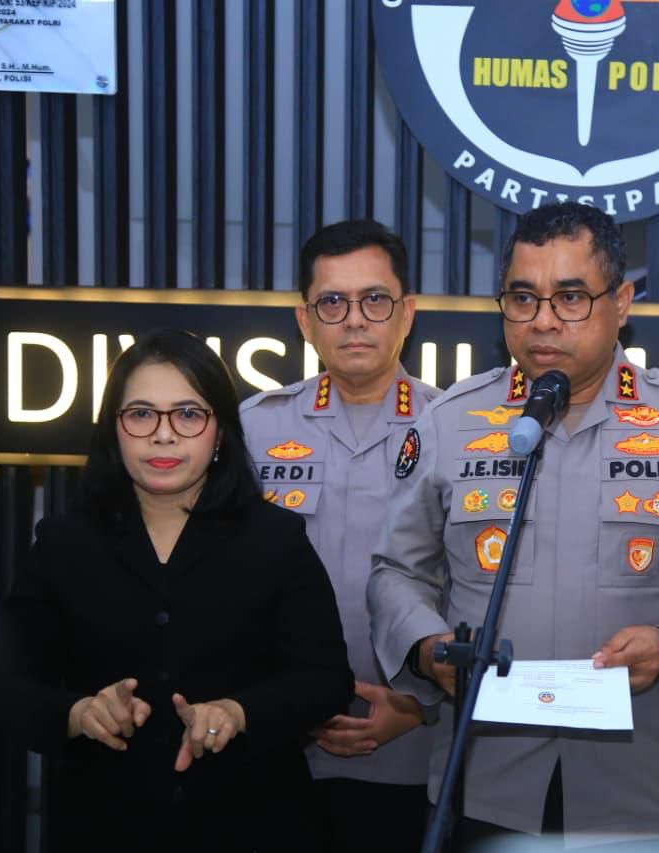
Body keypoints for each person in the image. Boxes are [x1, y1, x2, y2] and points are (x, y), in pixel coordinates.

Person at [367, 201, 659, 846]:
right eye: (522, 298)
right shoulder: (450, 422)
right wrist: (427, 648)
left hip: (639, 784)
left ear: (621, 301)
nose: (543, 321)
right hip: (483, 778)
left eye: (570, 298)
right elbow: (396, 571)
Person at [0, 329, 355, 852]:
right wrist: (77, 713)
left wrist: (240, 712)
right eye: (141, 414)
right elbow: (3, 691)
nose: (163, 435)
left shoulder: (276, 539)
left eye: (188, 414)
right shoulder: (65, 543)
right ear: (114, 429)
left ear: (220, 431)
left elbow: (326, 680)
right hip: (105, 825)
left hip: (254, 822)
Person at [240, 220, 440, 851]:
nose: (354, 320)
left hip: (414, 745)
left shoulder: (457, 431)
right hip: (276, 745)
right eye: (332, 302)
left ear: (407, 312)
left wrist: (419, 707)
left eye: (375, 299)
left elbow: (484, 586)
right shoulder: (254, 429)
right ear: (305, 320)